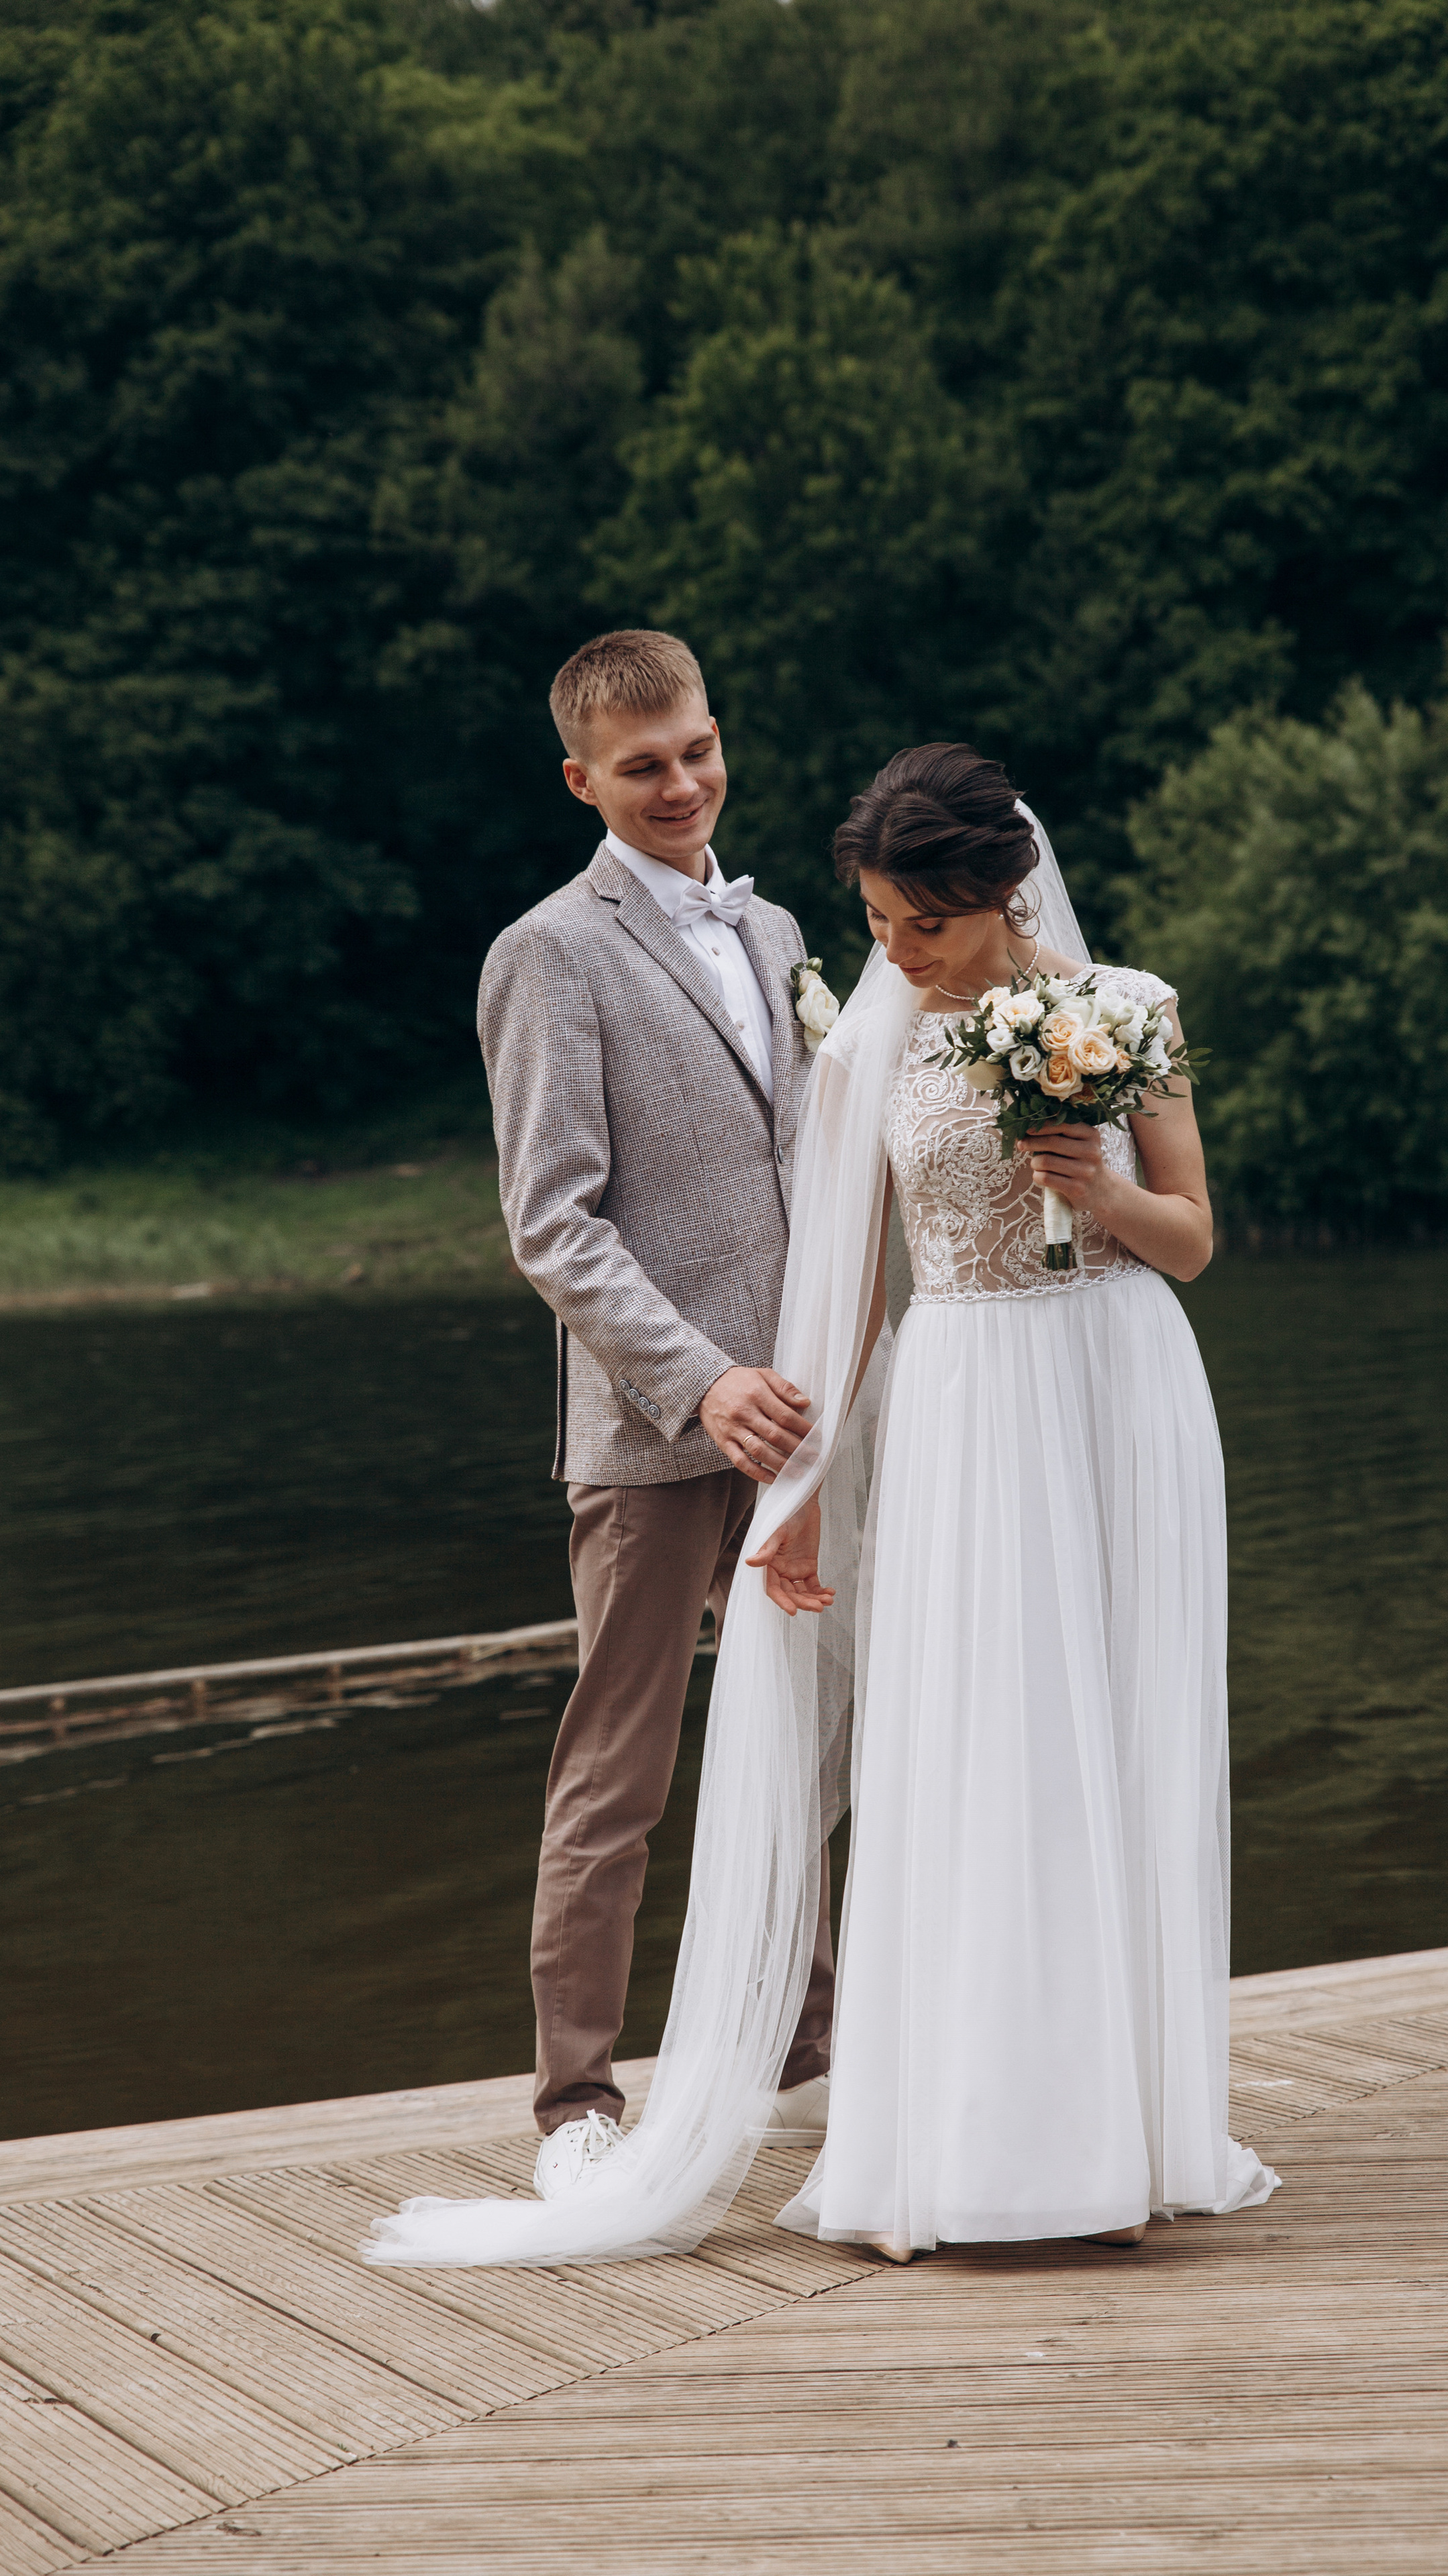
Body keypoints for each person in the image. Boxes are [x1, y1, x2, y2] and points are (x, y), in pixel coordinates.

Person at [366, 745, 1275, 2271]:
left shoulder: (1125, 1011)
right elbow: (846, 1292)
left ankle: (1132, 2125)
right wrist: (796, 1493)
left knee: (1111, 1734)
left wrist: (1097, 1191)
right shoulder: (869, 1043)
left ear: (997, 895)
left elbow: (1187, 1238)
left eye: (921, 925)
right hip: (965, 1408)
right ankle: (978, 2138)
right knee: (972, 1748)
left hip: (1118, 1394)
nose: (894, 952)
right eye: (875, 923)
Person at [475, 627, 835, 2200]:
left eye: (693, 750)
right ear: (583, 780)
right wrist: (701, 1376)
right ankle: (573, 2100)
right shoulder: (547, 951)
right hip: (655, 1435)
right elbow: (552, 1223)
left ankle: (812, 2044)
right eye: (641, 767)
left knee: (814, 1744)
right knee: (617, 1772)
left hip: (811, 1420)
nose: (679, 783)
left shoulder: (776, 930)